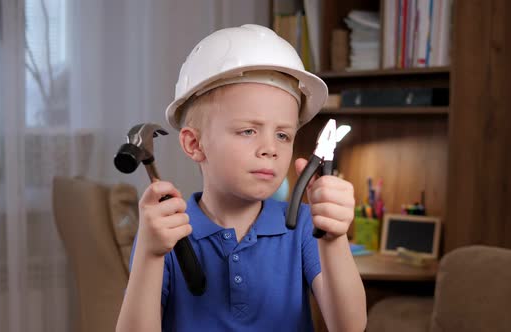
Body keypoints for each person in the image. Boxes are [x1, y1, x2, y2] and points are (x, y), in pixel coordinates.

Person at [116, 24, 366, 332]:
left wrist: (334, 238)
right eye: (248, 131)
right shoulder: (167, 231)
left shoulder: (304, 225)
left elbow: (350, 327)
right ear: (194, 144)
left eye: (283, 135)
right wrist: (150, 255)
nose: (270, 149)